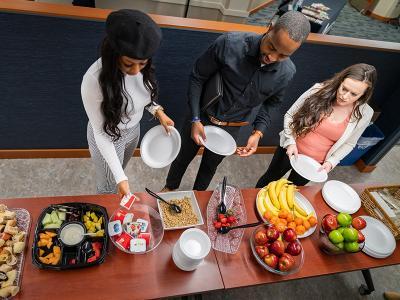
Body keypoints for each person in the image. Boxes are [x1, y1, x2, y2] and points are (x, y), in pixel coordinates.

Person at [161, 11, 311, 192]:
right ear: (270, 27)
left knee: (209, 168)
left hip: (231, 127)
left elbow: (272, 103)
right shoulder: (229, 44)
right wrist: (195, 119)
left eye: (282, 55)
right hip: (201, 115)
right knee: (182, 158)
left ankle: (197, 197)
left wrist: (258, 133)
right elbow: (197, 77)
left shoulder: (287, 73)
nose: (272, 57)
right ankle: (169, 188)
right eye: (272, 47)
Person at [81, 9, 174, 197]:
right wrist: (120, 177)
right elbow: (101, 133)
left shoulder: (141, 69)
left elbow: (142, 97)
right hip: (108, 134)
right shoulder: (93, 80)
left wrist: (158, 111)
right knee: (108, 185)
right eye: (128, 64)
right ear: (114, 54)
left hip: (134, 131)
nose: (136, 71)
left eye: (142, 63)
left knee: (120, 171)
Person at [256, 63, 377, 187]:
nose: (344, 96)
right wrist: (290, 142)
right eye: (344, 88)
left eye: (353, 94)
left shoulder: (365, 113)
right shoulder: (318, 90)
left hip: (314, 164)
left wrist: (332, 161)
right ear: (340, 81)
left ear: (363, 95)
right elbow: (290, 115)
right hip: (289, 149)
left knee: (293, 189)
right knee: (269, 179)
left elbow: (350, 143)